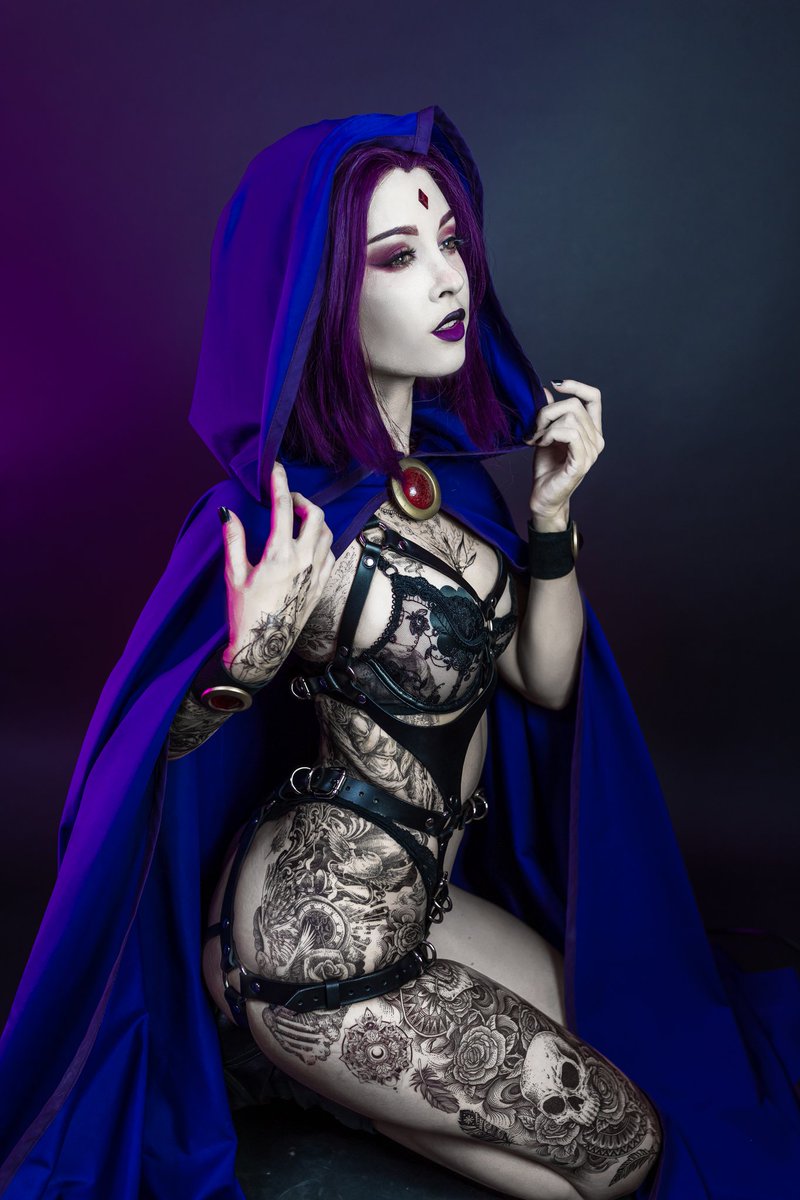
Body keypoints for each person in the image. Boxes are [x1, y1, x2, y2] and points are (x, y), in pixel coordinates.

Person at [1, 105, 798, 1200]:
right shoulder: (284, 523)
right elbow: (136, 770)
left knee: (652, 1036)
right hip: (314, 943)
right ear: (325, 297)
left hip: (423, 900)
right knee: (626, 1154)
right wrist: (240, 669)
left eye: (449, 241)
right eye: (396, 256)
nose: (446, 276)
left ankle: (295, 1073)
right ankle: (289, 1042)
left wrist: (552, 515)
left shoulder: (450, 487)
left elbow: (543, 678)